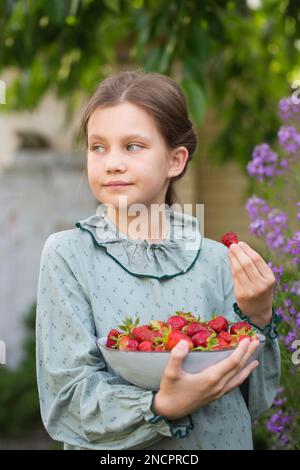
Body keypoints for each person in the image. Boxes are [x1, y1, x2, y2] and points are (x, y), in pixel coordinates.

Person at [36, 69, 281, 450]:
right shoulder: (68, 254)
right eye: (97, 147)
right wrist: (161, 405)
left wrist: (259, 315)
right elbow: (66, 397)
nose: (111, 162)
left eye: (132, 146)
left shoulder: (216, 260)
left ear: (175, 160)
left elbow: (255, 400)